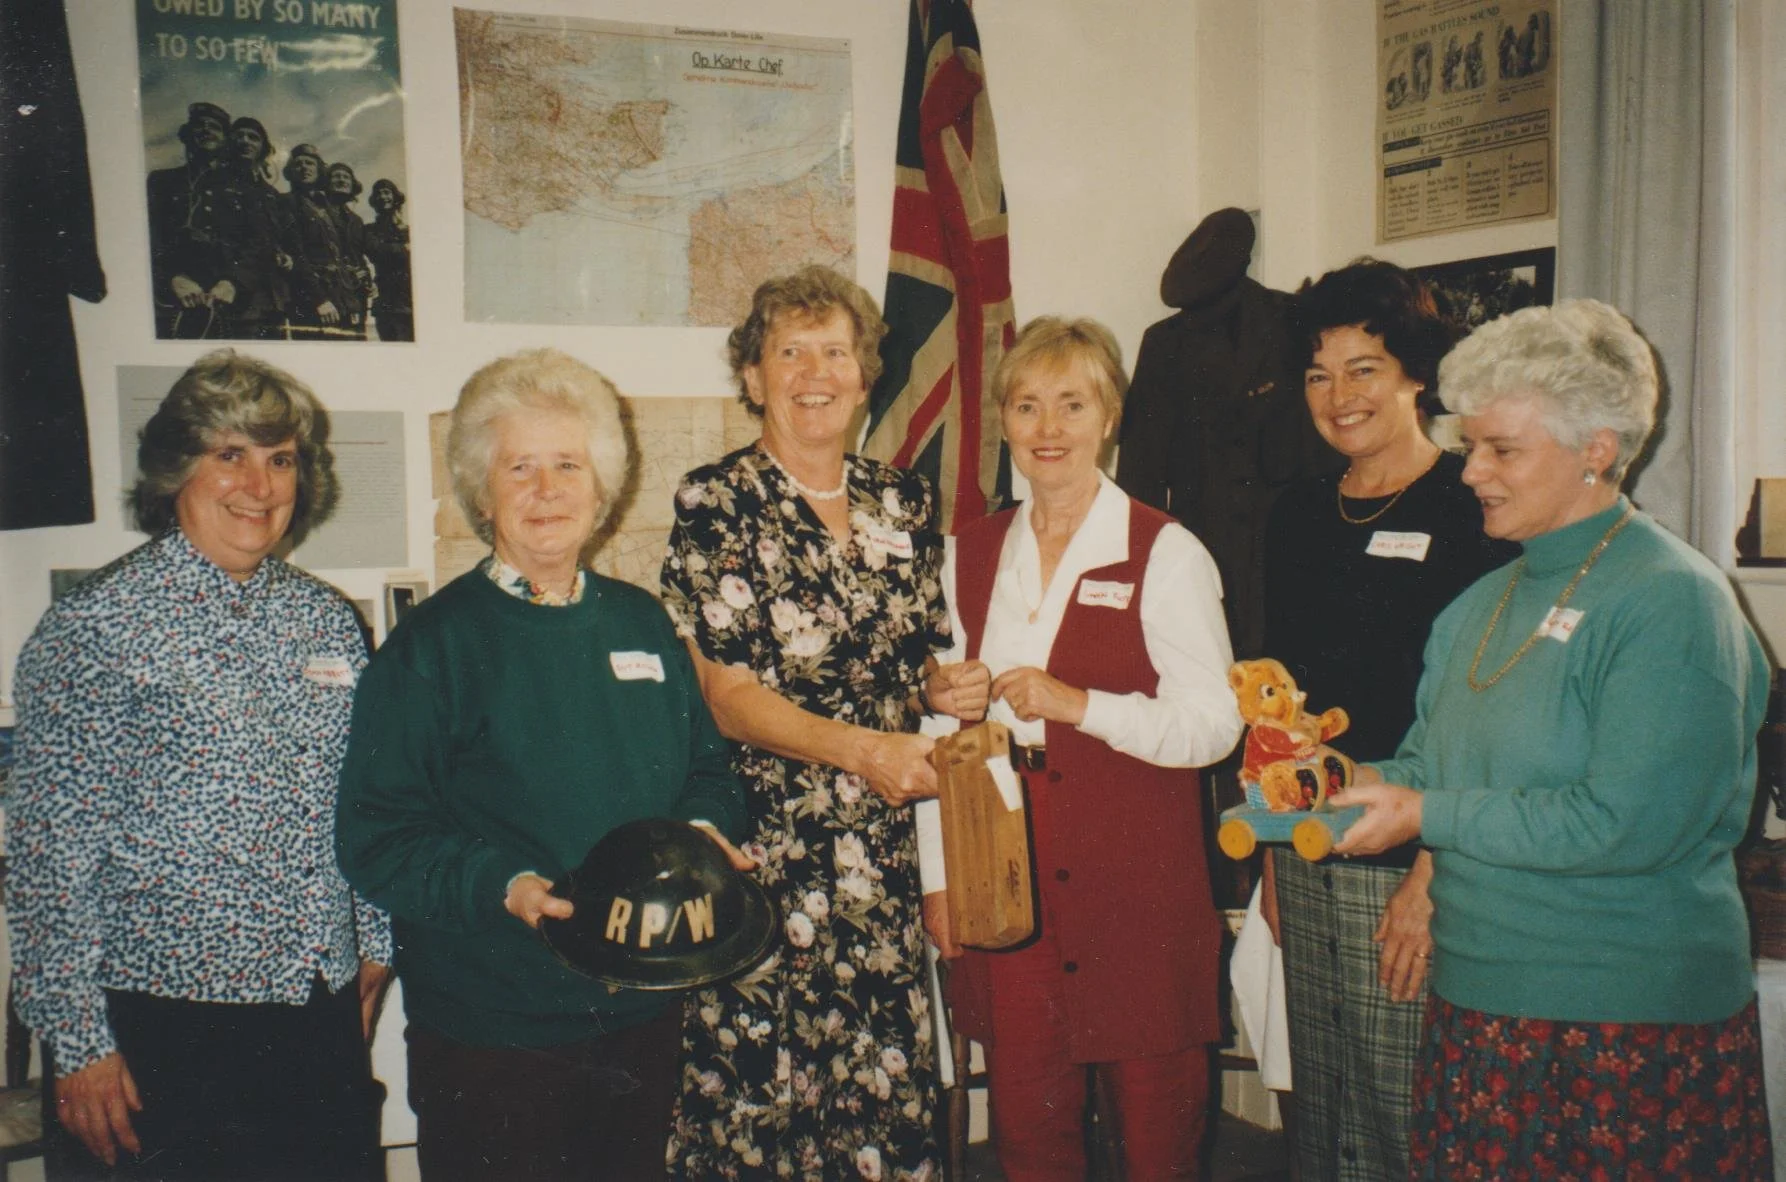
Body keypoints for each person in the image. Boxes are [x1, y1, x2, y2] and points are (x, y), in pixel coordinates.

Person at [1331, 300, 1774, 1176]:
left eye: (1503, 450)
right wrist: (1332, 780)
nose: (1471, 473)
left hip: (1623, 1021)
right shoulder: (1477, 605)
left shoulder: (1671, 600)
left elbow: (1628, 824)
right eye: (1471, 447)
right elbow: (1431, 765)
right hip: (1475, 1003)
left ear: (1597, 450)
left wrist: (1425, 812)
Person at [335, 348, 749, 1180]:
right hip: (494, 1022)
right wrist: (505, 883)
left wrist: (703, 838)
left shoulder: (641, 624)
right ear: (482, 493)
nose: (547, 489)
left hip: (637, 1006)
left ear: (602, 487)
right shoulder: (433, 647)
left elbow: (709, 770)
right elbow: (376, 834)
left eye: (568, 464)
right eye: (519, 467)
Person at [8, 350, 390, 1180]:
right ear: (177, 468)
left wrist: (374, 948)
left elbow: (364, 796)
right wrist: (76, 1045)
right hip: (160, 1037)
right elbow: (48, 856)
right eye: (230, 455)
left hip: (313, 1014)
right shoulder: (96, 629)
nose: (258, 485)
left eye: (279, 458)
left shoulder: (326, 622)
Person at [920, 316, 1244, 1180]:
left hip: (1136, 877)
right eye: (1028, 406)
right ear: (1005, 423)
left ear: (1109, 418)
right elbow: (941, 730)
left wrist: (1082, 705)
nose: (1049, 428)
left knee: (1155, 1128)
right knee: (1030, 1124)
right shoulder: (970, 552)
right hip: (1007, 876)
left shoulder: (1165, 552)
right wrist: (939, 876)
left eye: (1072, 404)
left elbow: (1216, 726)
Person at [661, 265, 958, 1180]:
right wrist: (866, 750)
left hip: (879, 857)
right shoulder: (714, 504)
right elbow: (728, 696)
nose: (815, 371)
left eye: (836, 350)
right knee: (763, 1101)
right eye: (789, 351)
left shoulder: (901, 502)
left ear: (867, 374)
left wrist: (950, 689)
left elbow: (915, 669)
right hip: (767, 852)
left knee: (879, 1095)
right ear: (753, 376)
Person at [1259, 259, 1516, 1180]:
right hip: (1313, 841)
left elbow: (1485, 714)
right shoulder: (1294, 513)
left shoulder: (1473, 510)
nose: (1339, 396)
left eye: (1364, 368)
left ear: (1415, 372)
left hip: (1416, 852)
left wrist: (1432, 878)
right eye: (1319, 374)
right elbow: (1278, 704)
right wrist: (1277, 854)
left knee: (1416, 1108)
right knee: (1325, 1106)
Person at [146, 100, 228, 338]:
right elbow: (150, 237)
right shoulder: (161, 181)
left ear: (225, 140)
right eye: (199, 126)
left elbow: (253, 243)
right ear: (185, 136)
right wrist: (173, 277)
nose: (206, 131)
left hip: (229, 301)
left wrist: (232, 282)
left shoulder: (240, 189)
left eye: (215, 127)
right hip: (174, 299)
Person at [363, 179, 413, 342]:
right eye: (378, 193)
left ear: (395, 197)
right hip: (386, 302)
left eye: (387, 192)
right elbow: (375, 251)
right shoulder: (370, 230)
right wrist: (404, 248)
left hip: (409, 299)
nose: (383, 196)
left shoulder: (408, 230)